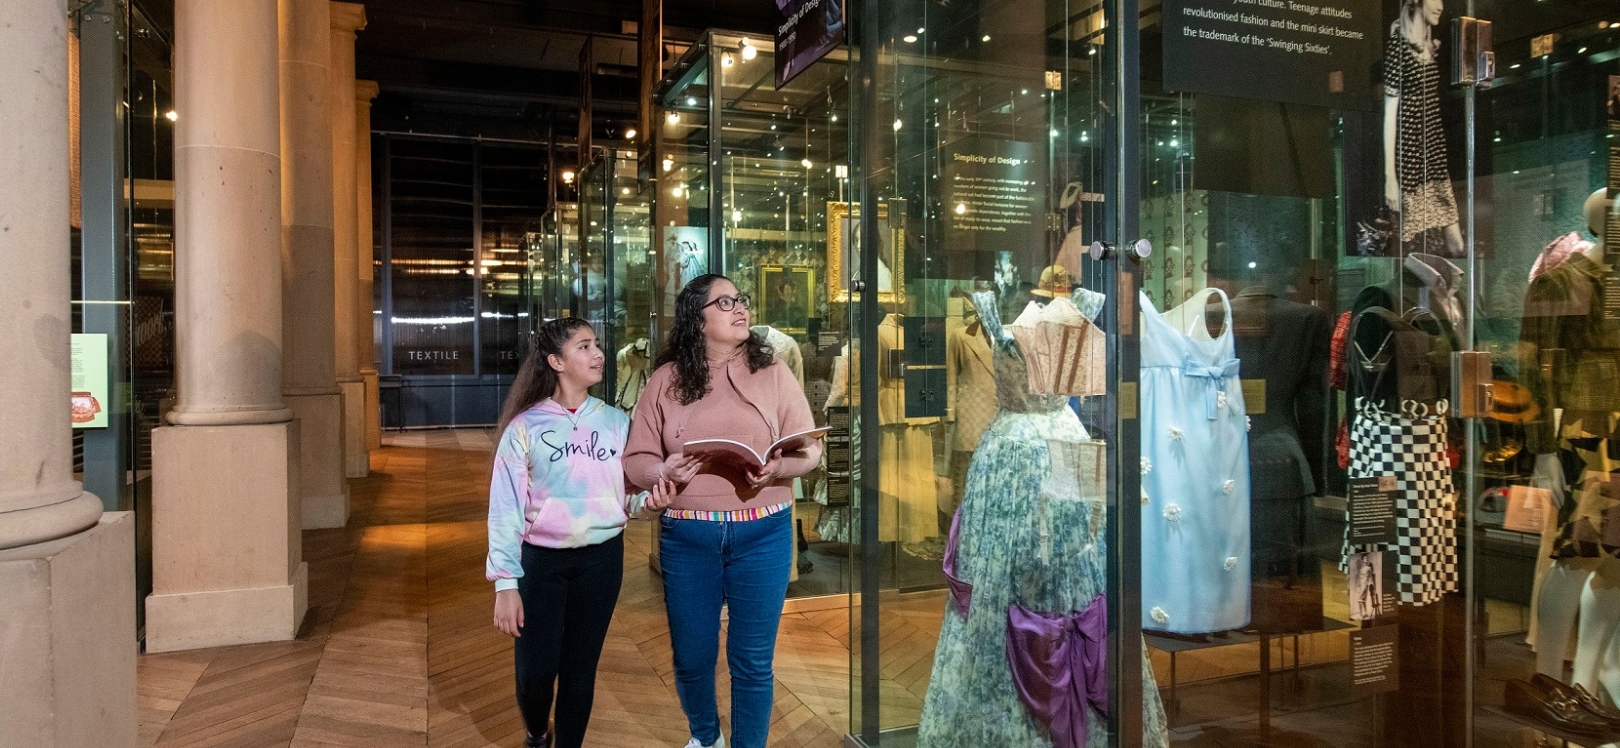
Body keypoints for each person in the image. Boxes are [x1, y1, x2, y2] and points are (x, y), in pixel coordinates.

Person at [625, 274, 823, 748]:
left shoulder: (774, 370)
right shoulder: (664, 380)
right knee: (692, 657)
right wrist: (663, 470)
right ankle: (706, 737)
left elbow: (810, 452)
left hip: (764, 534)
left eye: (743, 300)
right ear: (697, 319)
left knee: (752, 659)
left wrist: (776, 469)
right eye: (726, 302)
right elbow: (636, 461)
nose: (741, 309)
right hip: (688, 539)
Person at [486, 318, 676, 748]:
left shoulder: (616, 423)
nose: (598, 354)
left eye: (597, 345)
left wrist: (650, 504)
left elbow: (627, 497)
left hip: (601, 562)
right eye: (585, 347)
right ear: (556, 361)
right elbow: (504, 511)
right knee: (535, 676)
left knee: (579, 671)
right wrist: (505, 584)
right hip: (540, 565)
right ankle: (537, 732)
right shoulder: (525, 428)